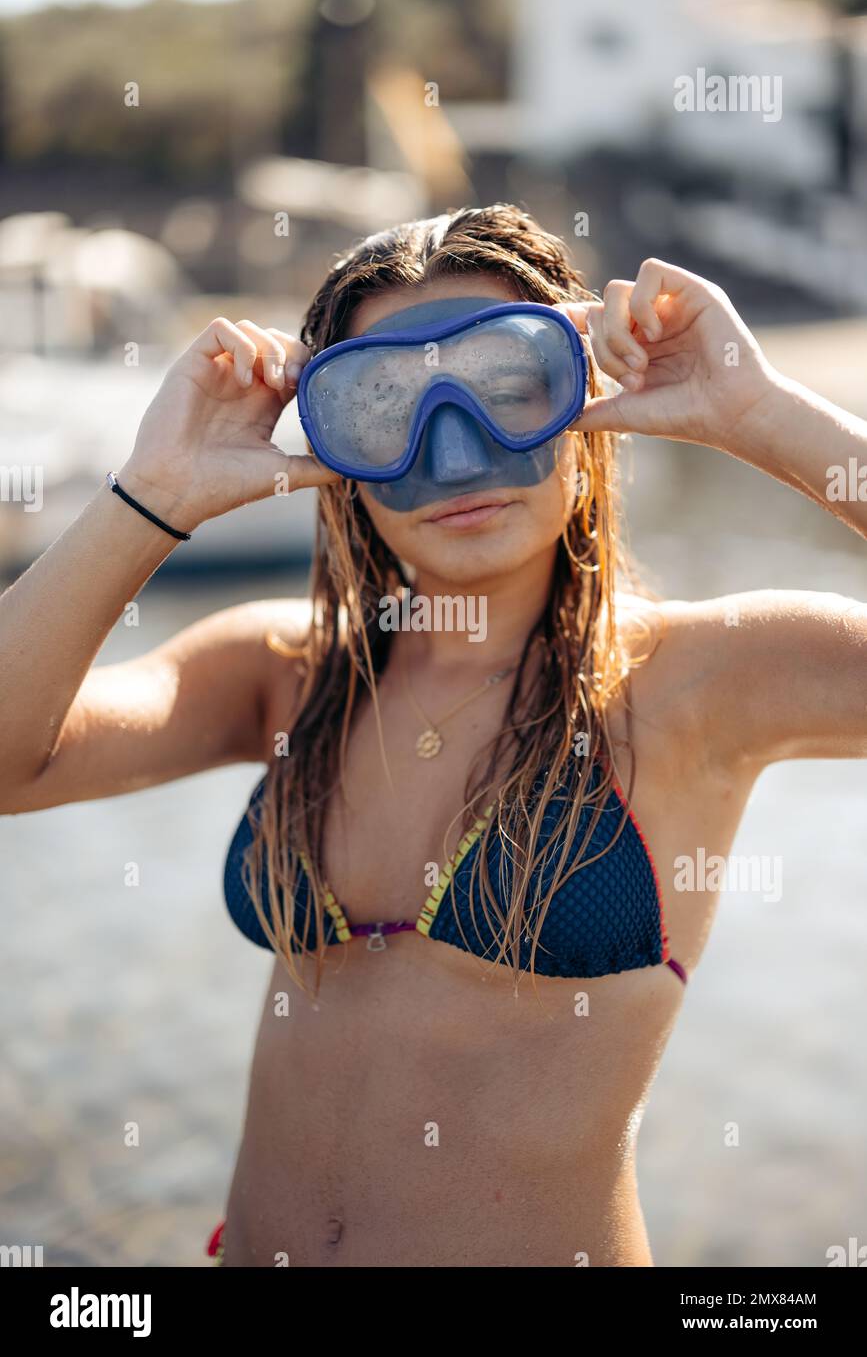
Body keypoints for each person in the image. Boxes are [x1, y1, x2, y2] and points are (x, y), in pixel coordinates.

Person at [2, 205, 864, 1269]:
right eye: (385, 407)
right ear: (336, 448)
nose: (453, 450)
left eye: (508, 387)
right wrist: (155, 492)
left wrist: (759, 413)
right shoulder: (286, 678)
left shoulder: (697, 682)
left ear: (578, 398)